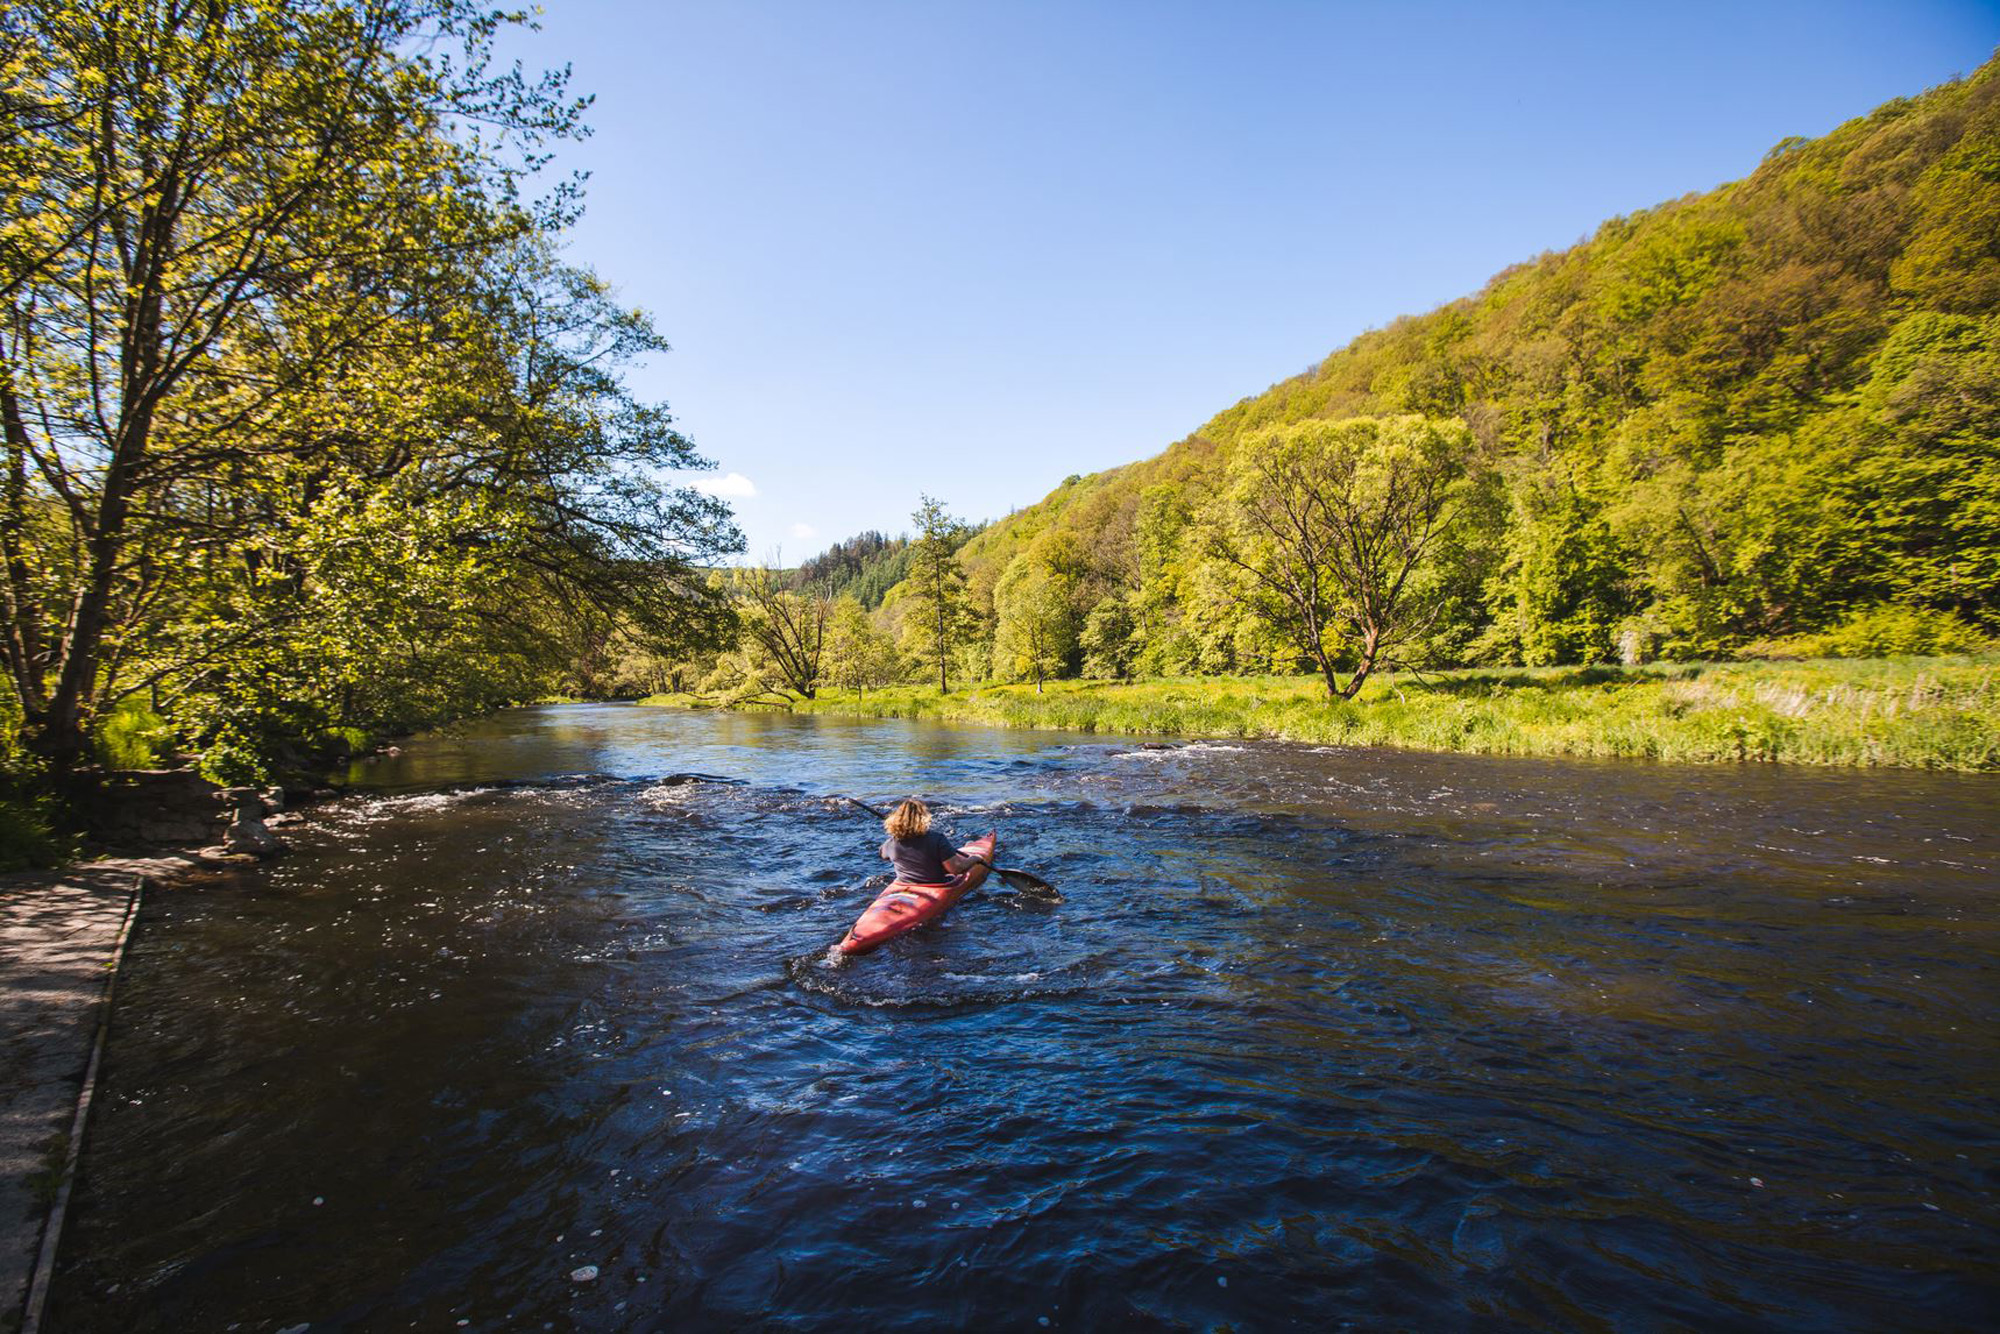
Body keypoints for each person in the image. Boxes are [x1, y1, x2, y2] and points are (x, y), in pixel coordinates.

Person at [880, 798, 977, 884]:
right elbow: (956, 870)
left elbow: (883, 854)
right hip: (936, 885)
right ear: (924, 818)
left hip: (905, 883)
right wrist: (975, 859)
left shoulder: (890, 843)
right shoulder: (937, 839)